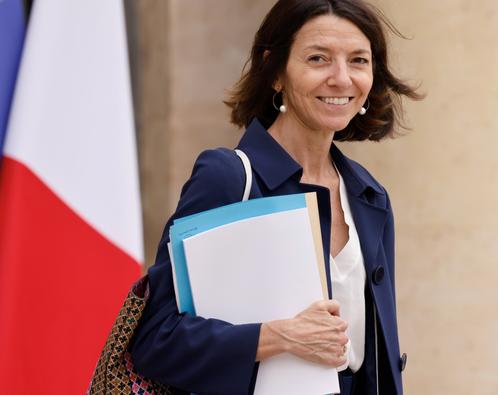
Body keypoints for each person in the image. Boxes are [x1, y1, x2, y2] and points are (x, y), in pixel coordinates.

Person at [131, 0, 422, 394]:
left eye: (358, 61)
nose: (341, 78)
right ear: (276, 73)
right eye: (318, 59)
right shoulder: (229, 179)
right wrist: (279, 337)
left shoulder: (369, 196)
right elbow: (156, 340)